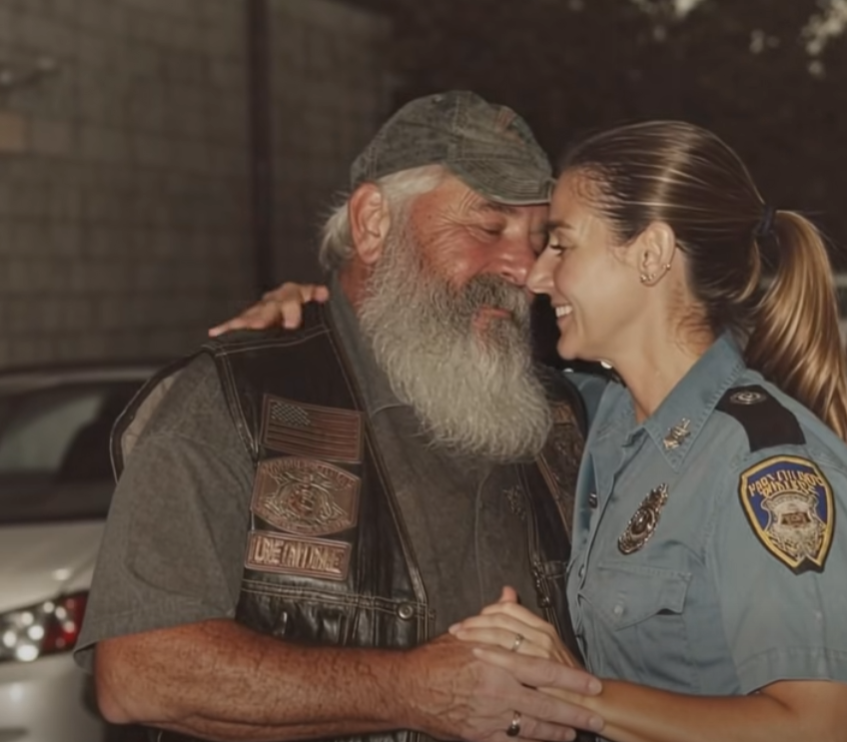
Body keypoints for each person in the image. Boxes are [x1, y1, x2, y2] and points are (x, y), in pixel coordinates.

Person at [227, 121, 847, 742]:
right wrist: (327, 318)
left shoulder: (764, 467)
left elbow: (821, 726)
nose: (533, 276)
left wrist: (576, 693)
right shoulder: (593, 421)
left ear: (651, 254)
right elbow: (435, 366)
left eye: (561, 244)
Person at [73, 90, 604, 742]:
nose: (524, 269)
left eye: (539, 238)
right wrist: (412, 691)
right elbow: (141, 671)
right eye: (488, 228)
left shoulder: (557, 415)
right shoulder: (234, 398)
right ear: (374, 223)